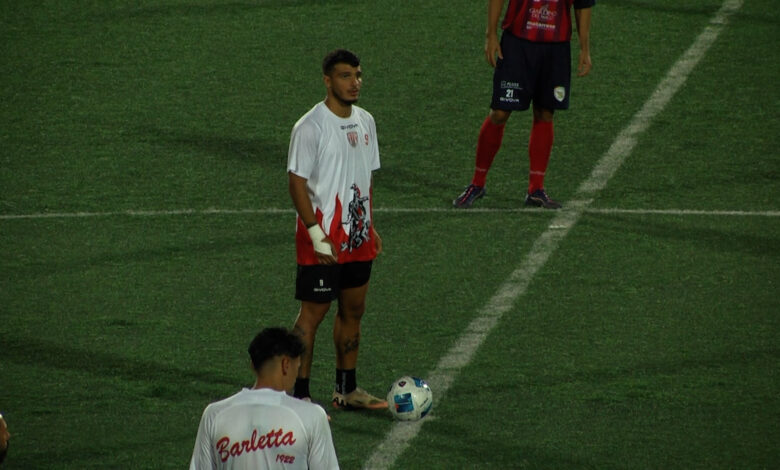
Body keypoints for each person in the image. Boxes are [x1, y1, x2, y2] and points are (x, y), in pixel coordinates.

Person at [287, 49, 387, 411]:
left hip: (357, 238)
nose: (354, 83)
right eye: (346, 76)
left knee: (353, 311)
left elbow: (365, 177)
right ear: (327, 81)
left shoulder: (366, 121)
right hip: (323, 240)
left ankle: (347, 390)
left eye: (358, 75)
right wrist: (316, 234)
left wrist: (370, 225)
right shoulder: (310, 127)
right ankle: (298, 395)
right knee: (312, 315)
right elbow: (296, 183)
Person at [453, 0, 594, 210]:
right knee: (499, 112)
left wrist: (584, 48)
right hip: (517, 43)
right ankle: (477, 183)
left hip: (556, 47)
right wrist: (490, 34)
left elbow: (583, 4)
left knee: (545, 112)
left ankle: (536, 189)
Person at [189, 328, 339, 469]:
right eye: (297, 367)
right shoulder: (311, 416)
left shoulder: (214, 414)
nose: (296, 376)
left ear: (253, 366)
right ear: (286, 365)